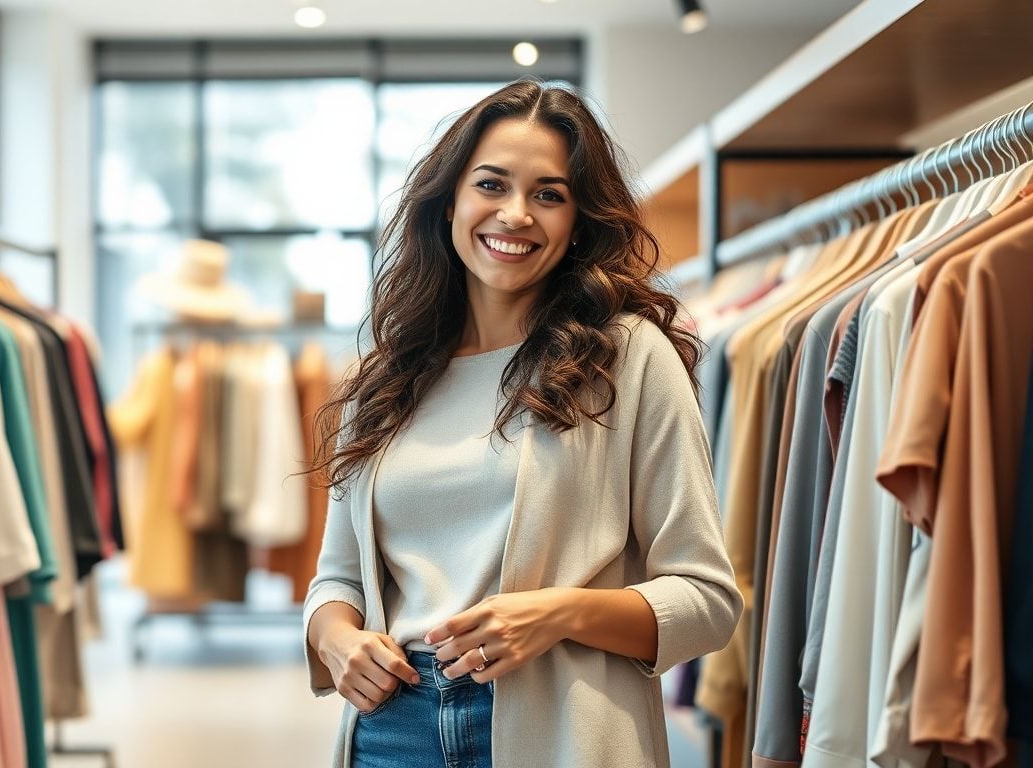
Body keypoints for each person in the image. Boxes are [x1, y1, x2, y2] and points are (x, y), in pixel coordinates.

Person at [303, 79, 742, 768]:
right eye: (492, 185)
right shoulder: (386, 377)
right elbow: (338, 582)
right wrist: (335, 638)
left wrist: (558, 613)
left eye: (549, 194)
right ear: (449, 200)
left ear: (577, 222)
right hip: (393, 730)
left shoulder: (627, 358)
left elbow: (707, 600)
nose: (515, 215)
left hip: (563, 734)